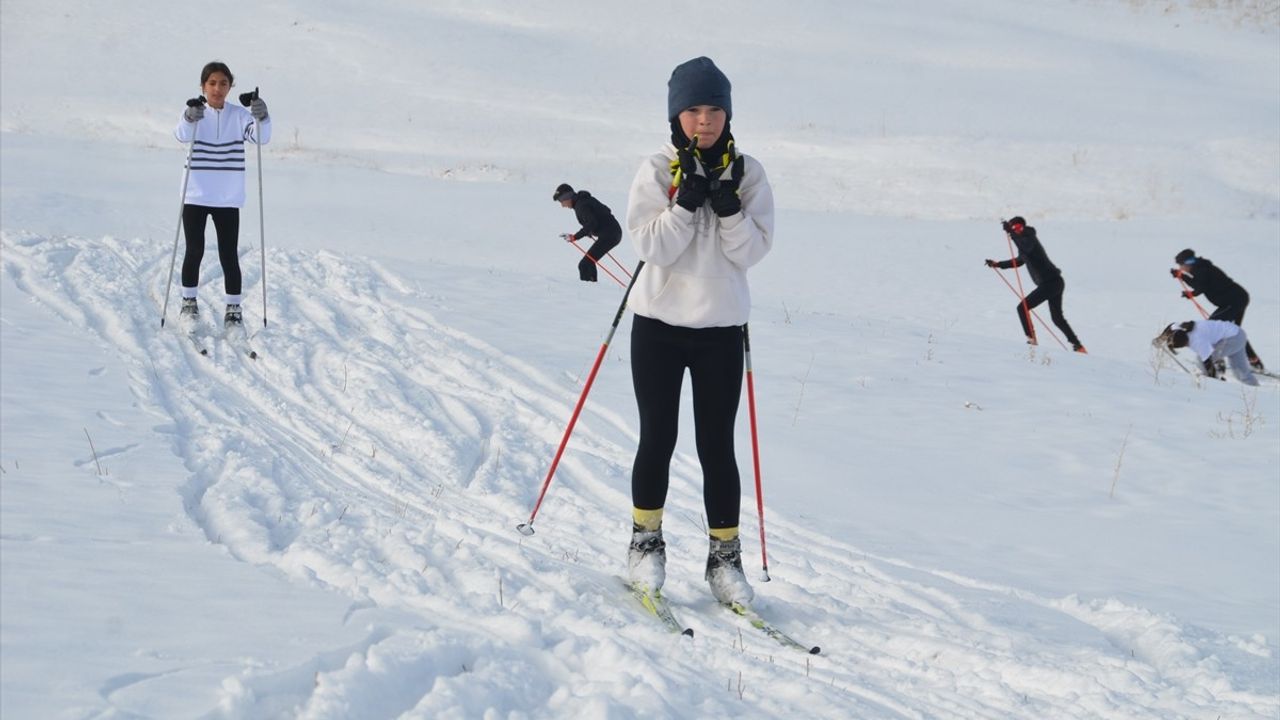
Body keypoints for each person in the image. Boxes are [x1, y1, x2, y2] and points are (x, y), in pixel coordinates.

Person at [624, 56, 774, 606]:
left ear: (727, 113)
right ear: (676, 114)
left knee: (716, 446)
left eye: (714, 109)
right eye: (693, 109)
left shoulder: (749, 172)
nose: (704, 120)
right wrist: (685, 200)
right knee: (656, 438)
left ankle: (724, 560)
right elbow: (652, 247)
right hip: (658, 327)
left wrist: (730, 209)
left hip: (719, 330)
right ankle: (645, 544)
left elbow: (752, 252)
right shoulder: (657, 169)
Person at [174, 61, 270, 328]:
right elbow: (181, 135)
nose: (217, 88)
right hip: (195, 194)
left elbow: (261, 138)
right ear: (203, 86)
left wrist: (262, 116)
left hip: (227, 196)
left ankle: (233, 310)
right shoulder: (194, 111)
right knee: (194, 250)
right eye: (212, 83)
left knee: (229, 254)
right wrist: (189, 116)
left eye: (223, 83)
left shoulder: (239, 116)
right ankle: (189, 304)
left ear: (230, 86)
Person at [985, 217, 1086, 353]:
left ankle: (1032, 340)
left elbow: (1026, 247)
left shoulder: (1030, 238)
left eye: (1018, 228)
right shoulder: (1022, 243)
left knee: (1022, 307)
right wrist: (997, 264)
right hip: (1054, 283)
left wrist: (1012, 234)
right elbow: (1018, 261)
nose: (1017, 231)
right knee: (1057, 318)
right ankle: (1078, 346)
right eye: (1014, 228)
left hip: (1051, 283)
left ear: (1024, 227)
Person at [1172, 249, 1264, 371]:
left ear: (1188, 263)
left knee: (1213, 327)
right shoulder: (1201, 267)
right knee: (1233, 331)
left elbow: (1200, 286)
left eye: (1181, 265)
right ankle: (1254, 361)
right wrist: (1183, 278)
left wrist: (1191, 291)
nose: (1181, 268)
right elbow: (1198, 283)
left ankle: (1218, 361)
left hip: (1234, 301)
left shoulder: (1201, 269)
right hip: (1236, 299)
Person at [554, 184, 623, 283]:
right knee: (588, 263)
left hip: (609, 235)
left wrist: (575, 237)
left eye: (561, 201)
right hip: (613, 233)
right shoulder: (583, 201)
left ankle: (590, 291)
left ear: (567, 197)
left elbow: (592, 223)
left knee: (585, 265)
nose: (562, 205)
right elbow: (604, 211)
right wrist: (591, 230)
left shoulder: (581, 205)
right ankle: (592, 288)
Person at [1158, 320, 1259, 386]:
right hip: (1237, 333)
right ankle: (1256, 390)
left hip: (1233, 339)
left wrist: (1213, 381)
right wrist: (1160, 339)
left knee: (1201, 360)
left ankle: (1213, 381)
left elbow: (1207, 363)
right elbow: (1171, 326)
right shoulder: (1182, 329)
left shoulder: (1198, 342)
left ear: (1184, 344)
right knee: (1240, 372)